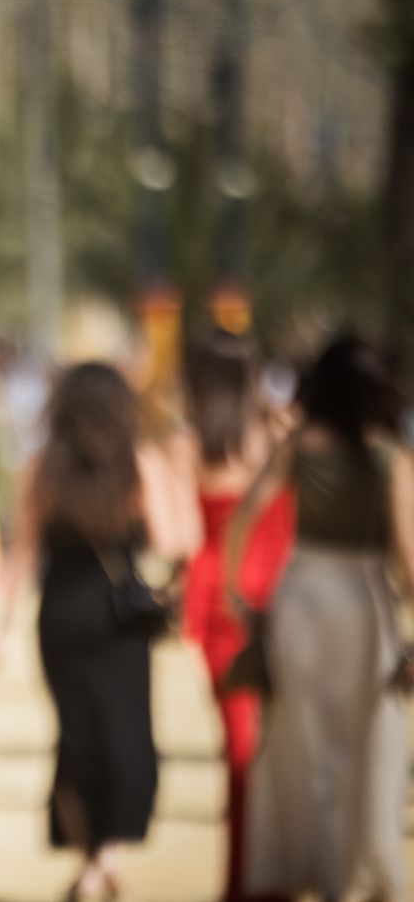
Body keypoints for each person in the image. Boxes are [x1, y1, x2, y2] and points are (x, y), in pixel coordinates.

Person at [0, 362, 195, 902]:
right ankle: (110, 856)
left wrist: (1, 631)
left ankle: (88, 861)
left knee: (75, 738)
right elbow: (175, 540)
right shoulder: (139, 464)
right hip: (119, 619)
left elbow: (23, 553)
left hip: (61, 616)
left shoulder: (41, 469)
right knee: (127, 735)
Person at [229, 336, 414, 902]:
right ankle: (352, 876)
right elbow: (408, 557)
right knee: (365, 744)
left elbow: (244, 515)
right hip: (364, 604)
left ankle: (313, 866)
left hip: (301, 597)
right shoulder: (389, 458)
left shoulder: (298, 446)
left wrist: (237, 594)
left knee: (303, 742)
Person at [174, 333, 293, 902]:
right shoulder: (276, 436)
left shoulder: (188, 443)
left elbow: (184, 540)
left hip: (221, 604)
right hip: (278, 600)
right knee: (275, 751)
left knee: (242, 752)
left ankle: (247, 881)